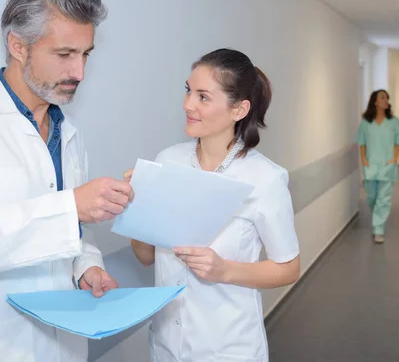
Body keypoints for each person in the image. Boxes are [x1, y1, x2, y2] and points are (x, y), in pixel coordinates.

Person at [0, 0, 134, 361]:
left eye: (86, 54)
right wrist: (69, 207)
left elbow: (72, 232)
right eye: (65, 54)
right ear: (18, 46)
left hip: (64, 343)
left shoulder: (69, 134)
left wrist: (86, 264)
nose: (80, 72)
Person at [126, 49, 300, 362]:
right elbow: (146, 257)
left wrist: (224, 270)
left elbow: (288, 268)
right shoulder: (168, 161)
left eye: (203, 97)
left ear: (239, 109)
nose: (188, 104)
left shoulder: (265, 178)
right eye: (188, 91)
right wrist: (136, 208)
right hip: (166, 344)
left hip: (228, 347)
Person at [355, 90, 399, 243]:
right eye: (382, 97)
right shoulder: (366, 122)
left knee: (383, 199)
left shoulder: (394, 122)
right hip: (370, 165)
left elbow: (398, 142)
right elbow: (362, 143)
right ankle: (378, 219)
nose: (386, 100)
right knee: (371, 198)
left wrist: (394, 159)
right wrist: (363, 160)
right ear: (375, 102)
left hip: (387, 165)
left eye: (387, 98)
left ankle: (378, 229)